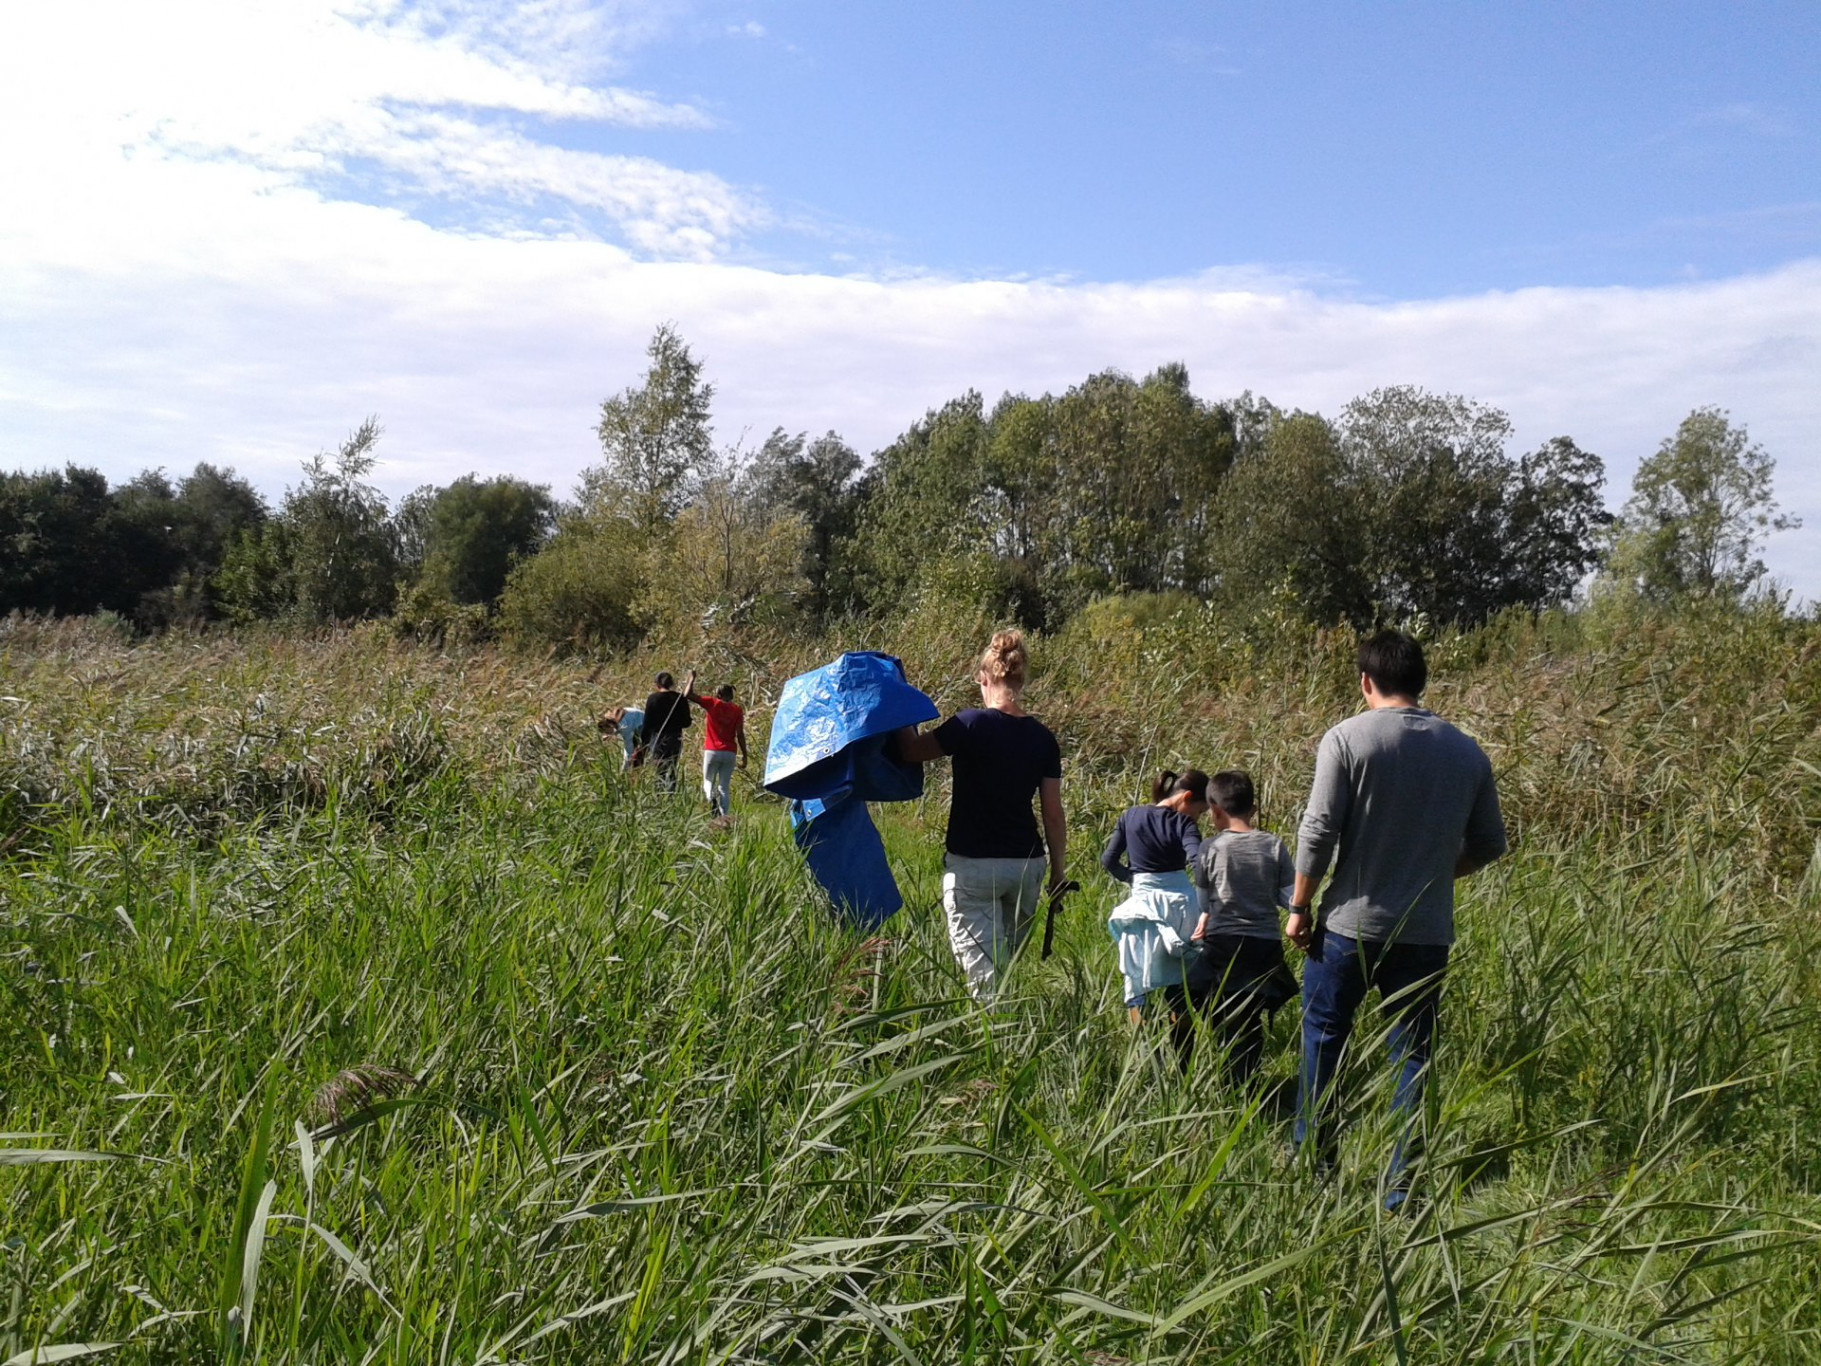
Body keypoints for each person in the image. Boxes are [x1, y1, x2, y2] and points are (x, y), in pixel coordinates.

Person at [1287, 629, 1507, 1209]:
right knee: (1411, 1054)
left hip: (1348, 926)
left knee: (1324, 1040)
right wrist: (1434, 874)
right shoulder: (1466, 751)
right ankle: (1401, 1187)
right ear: (1420, 681)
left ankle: (1314, 1169)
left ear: (1365, 681)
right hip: (1426, 931)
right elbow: (1489, 844)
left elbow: (1317, 831)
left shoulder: (1347, 740)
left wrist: (1299, 906)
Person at [893, 630, 1066, 1002]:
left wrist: (898, 707)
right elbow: (1053, 814)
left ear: (984, 678)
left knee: (986, 981)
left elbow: (910, 752)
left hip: (974, 867)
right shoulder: (1043, 738)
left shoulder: (969, 724)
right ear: (1021, 679)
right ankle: (1016, 1034)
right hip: (1026, 866)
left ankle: (996, 1050)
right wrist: (1058, 873)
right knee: (1004, 970)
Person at [1189, 770, 1298, 1085]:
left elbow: (1204, 903)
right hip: (1264, 945)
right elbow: (1290, 899)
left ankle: (1229, 1086)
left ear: (1215, 810)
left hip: (1224, 944)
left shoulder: (1210, 848)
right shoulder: (1273, 844)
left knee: (1219, 1013)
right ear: (1252, 808)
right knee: (1251, 1015)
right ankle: (1249, 1080)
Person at [1103, 769, 1208, 1067]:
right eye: (1200, 810)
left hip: (1142, 908)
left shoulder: (1130, 816)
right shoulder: (1183, 823)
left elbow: (1108, 861)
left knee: (1138, 982)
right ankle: (1184, 1066)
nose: (1199, 816)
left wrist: (1134, 880)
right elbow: (1197, 861)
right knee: (1182, 987)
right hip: (1181, 907)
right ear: (1186, 798)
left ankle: (1148, 1066)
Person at [687, 681, 748, 816]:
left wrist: (691, 679)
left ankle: (711, 798)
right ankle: (724, 816)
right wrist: (744, 755)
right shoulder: (737, 711)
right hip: (729, 752)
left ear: (718, 694)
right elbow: (740, 734)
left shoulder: (712, 703)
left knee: (708, 781)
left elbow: (688, 695)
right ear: (731, 695)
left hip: (712, 750)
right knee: (724, 787)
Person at [639, 670, 695, 794]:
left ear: (657, 684)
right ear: (671, 683)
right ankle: (671, 796)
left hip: (658, 738)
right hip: (675, 739)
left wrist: (643, 744)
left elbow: (647, 724)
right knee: (672, 769)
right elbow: (687, 723)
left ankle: (659, 797)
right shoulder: (679, 698)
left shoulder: (653, 699)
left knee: (659, 771)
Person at [598, 704, 644, 771]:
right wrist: (613, 734)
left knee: (637, 756)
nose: (607, 733)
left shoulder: (625, 726)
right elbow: (618, 727)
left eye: (607, 731)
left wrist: (624, 769)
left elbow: (629, 749)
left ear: (610, 725)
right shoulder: (617, 716)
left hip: (646, 729)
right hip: (640, 725)